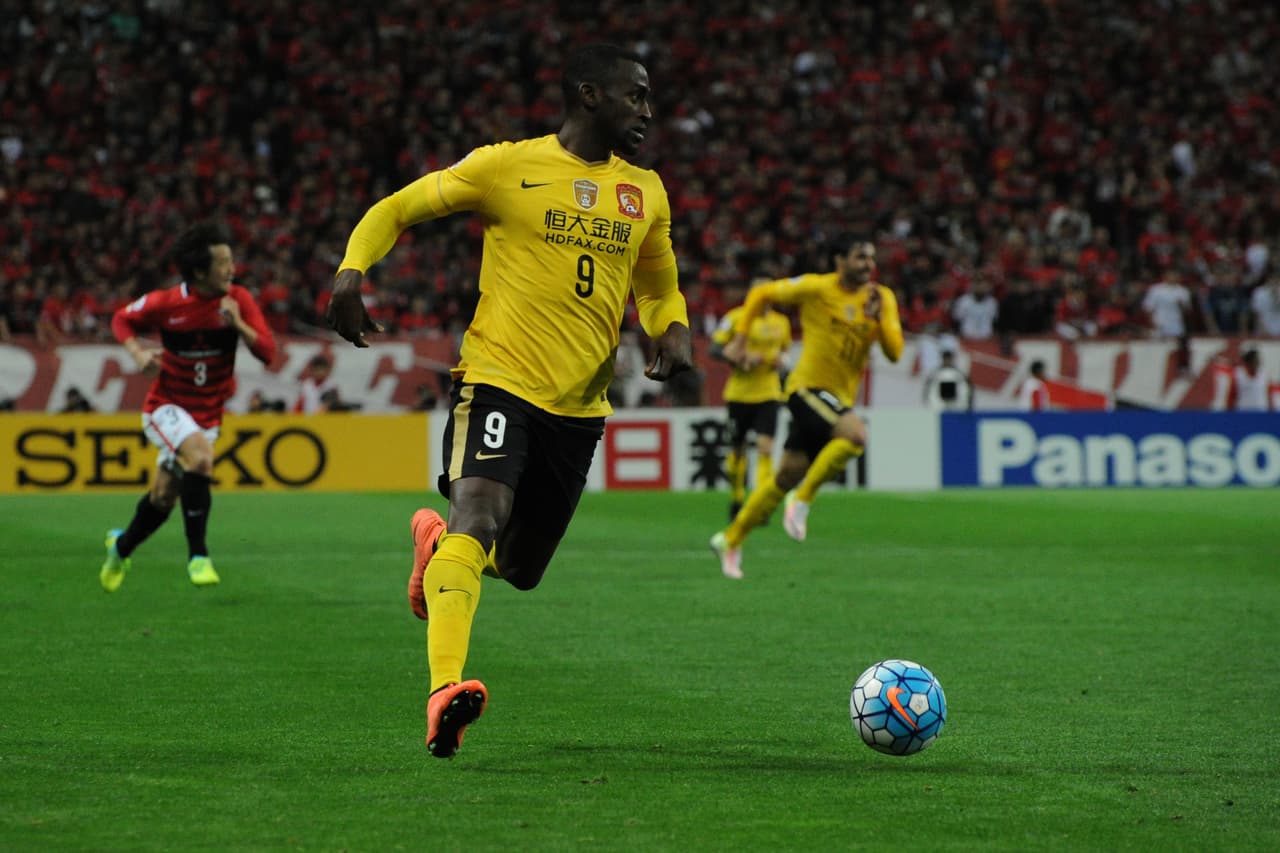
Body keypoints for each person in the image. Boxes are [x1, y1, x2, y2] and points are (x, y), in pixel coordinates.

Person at [324, 43, 692, 759]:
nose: (649, 110)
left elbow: (657, 284)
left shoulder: (644, 191)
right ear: (589, 95)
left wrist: (672, 327)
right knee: (480, 513)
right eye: (636, 95)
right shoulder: (505, 167)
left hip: (579, 408)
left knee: (520, 568)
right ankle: (444, 691)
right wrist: (350, 271)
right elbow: (396, 208)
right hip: (498, 378)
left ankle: (438, 551)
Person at [709, 237, 902, 577]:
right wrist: (740, 340)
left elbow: (895, 352)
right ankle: (803, 499)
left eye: (871, 258)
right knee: (855, 435)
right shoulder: (817, 288)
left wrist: (880, 319)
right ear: (839, 260)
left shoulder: (881, 297)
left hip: (837, 399)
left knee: (783, 476)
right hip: (806, 389)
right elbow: (761, 293)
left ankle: (730, 539)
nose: (869, 265)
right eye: (860, 257)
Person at [100, 222, 277, 591]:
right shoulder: (167, 304)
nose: (232, 269)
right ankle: (198, 556)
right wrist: (137, 352)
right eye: (223, 263)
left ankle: (120, 548)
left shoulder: (238, 300)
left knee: (163, 497)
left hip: (208, 414)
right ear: (199, 272)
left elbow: (267, 352)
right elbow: (121, 319)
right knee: (200, 460)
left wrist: (238, 324)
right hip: (166, 406)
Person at [710, 285, 791, 519]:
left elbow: (785, 352)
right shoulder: (736, 318)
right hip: (739, 395)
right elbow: (715, 349)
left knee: (766, 448)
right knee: (737, 449)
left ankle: (759, 503)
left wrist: (782, 361)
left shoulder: (781, 322)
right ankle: (737, 497)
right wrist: (740, 358)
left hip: (769, 393)